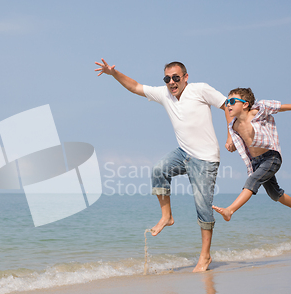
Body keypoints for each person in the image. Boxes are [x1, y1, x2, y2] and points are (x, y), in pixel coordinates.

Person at [95, 58, 233, 272]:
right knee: (159, 169)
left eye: (176, 78)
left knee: (202, 207)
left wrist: (230, 136)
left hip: (205, 159)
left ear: (185, 77)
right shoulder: (164, 94)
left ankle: (205, 256)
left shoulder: (200, 90)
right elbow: (135, 87)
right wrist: (114, 74)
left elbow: (228, 106)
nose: (171, 82)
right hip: (184, 153)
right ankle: (167, 216)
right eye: (167, 78)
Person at [212, 87, 291, 225]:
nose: (228, 104)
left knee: (252, 181)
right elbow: (242, 141)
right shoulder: (234, 126)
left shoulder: (258, 112)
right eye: (227, 102)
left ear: (245, 104)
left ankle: (230, 210)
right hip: (256, 162)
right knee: (275, 194)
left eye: (232, 101)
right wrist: (231, 145)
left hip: (271, 158)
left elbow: (281, 107)